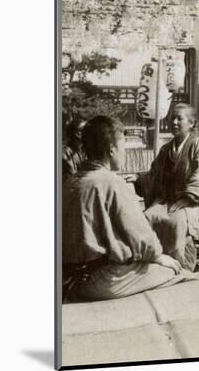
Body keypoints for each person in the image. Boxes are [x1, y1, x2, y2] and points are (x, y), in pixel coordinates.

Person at [63, 115, 190, 302]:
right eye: (123, 147)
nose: (125, 153)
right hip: (102, 278)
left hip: (67, 275)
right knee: (177, 270)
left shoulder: (70, 182)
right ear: (112, 150)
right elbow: (140, 236)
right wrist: (158, 256)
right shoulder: (111, 182)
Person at [142, 103, 199, 272]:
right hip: (168, 201)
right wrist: (138, 179)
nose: (174, 122)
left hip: (196, 203)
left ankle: (179, 266)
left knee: (177, 222)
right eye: (172, 118)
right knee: (147, 216)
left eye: (179, 118)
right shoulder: (166, 149)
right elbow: (154, 175)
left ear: (192, 123)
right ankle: (153, 261)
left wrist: (188, 197)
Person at [62, 117, 87, 184]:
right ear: (78, 134)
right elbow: (71, 178)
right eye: (86, 130)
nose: (90, 133)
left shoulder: (83, 151)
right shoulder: (65, 153)